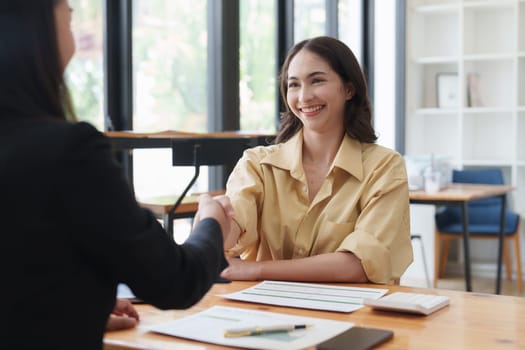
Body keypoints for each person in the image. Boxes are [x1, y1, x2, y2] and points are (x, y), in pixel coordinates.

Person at [0, 1, 233, 349]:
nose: (73, 27)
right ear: (36, 28)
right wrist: (211, 224)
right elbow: (175, 281)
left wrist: (79, 304)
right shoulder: (69, 151)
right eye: (69, 12)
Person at [217, 36, 413, 284]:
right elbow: (233, 234)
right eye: (294, 85)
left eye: (317, 81)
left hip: (352, 312)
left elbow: (361, 265)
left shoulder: (384, 167)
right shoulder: (257, 164)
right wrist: (214, 223)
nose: (304, 96)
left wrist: (256, 270)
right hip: (266, 308)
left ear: (349, 89)